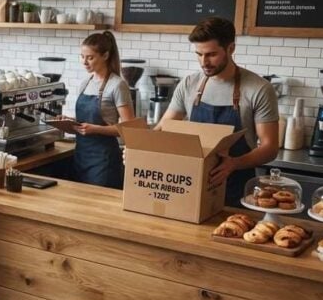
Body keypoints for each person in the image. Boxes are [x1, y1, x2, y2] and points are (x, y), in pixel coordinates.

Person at [157, 17, 279, 204]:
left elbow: (270, 148)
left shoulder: (259, 89)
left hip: (237, 189)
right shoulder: (189, 84)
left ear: (231, 49)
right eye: (199, 54)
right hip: (191, 186)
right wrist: (140, 147)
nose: (204, 62)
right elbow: (163, 129)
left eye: (211, 54)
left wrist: (234, 163)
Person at [71, 32, 135, 189]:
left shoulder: (117, 85)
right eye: (82, 56)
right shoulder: (85, 83)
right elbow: (82, 121)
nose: (84, 62)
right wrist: (68, 121)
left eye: (90, 57)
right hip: (81, 155)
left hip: (103, 161)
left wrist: (95, 129)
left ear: (105, 55)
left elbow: (129, 129)